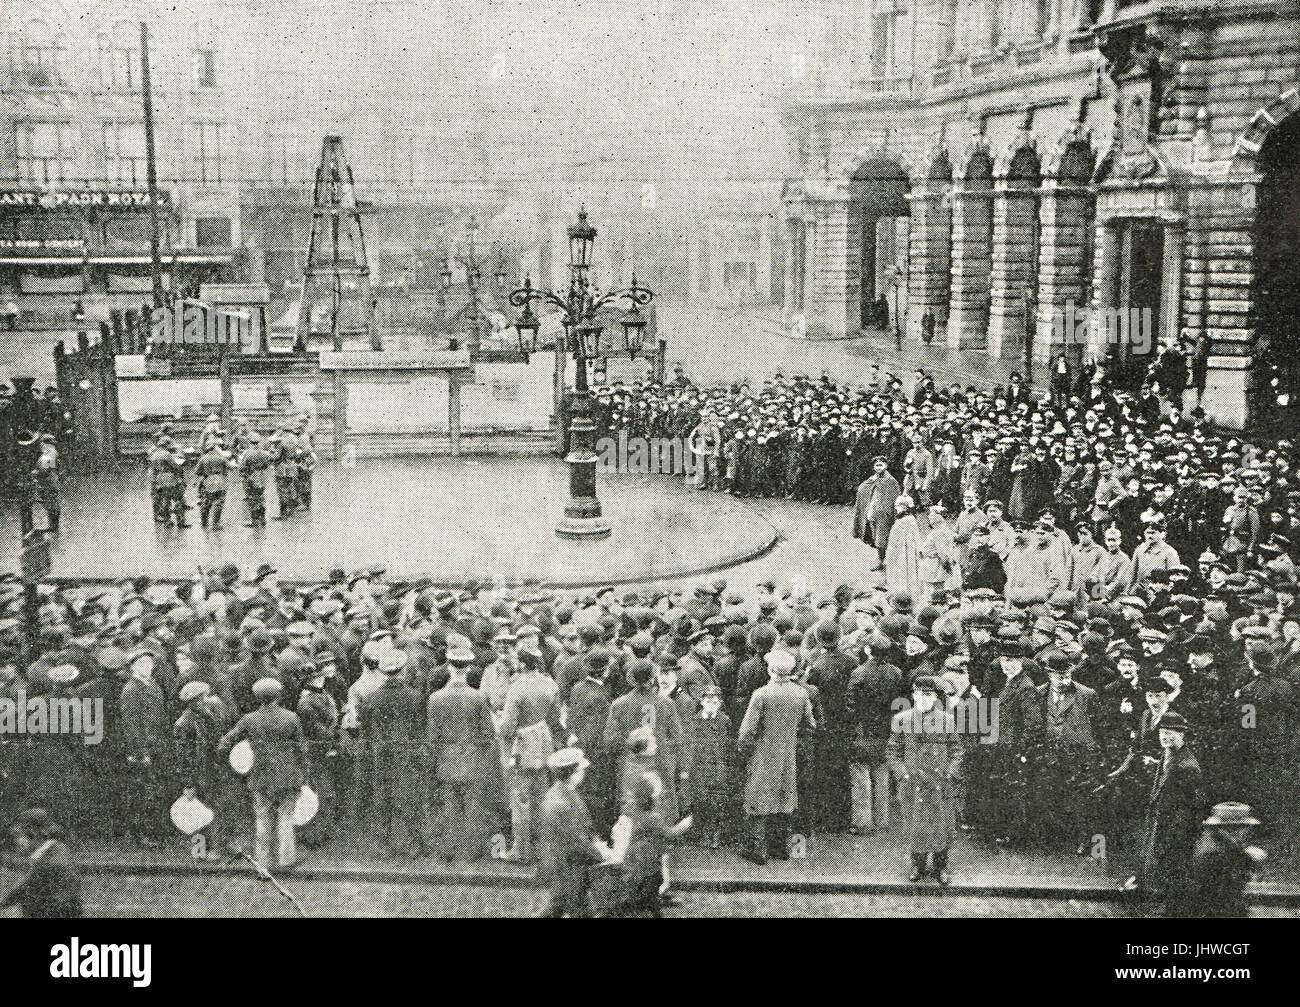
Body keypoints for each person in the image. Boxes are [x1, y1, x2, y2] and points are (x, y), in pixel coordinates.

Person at [219, 677, 308, 873]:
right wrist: (304, 775)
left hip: (260, 776)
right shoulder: (291, 718)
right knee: (286, 817)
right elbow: (302, 749)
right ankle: (287, 858)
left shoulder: (249, 719)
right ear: (279, 695)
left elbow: (226, 741)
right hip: (288, 775)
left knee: (262, 818)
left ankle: (262, 863)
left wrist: (239, 756)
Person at [736, 649, 814, 865]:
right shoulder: (801, 694)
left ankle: (757, 850)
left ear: (770, 670)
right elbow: (810, 724)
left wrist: (744, 751)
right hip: (788, 753)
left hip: (763, 752)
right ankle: (780, 848)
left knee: (758, 799)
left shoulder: (761, 694)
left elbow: (747, 730)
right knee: (784, 798)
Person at [424, 643, 498, 861]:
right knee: (473, 808)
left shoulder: (436, 699)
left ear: (449, 668)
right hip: (473, 760)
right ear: (467, 669)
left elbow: (432, 737)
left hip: (446, 761)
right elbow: (488, 733)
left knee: (450, 809)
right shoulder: (478, 697)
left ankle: (449, 850)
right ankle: (470, 852)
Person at [888, 675, 963, 884]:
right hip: (913, 784)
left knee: (943, 826)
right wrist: (902, 774)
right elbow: (893, 752)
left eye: (928, 695)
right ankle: (917, 864)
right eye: (920, 694)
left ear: (935, 697)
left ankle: (941, 866)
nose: (923, 698)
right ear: (913, 695)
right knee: (915, 826)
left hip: (939, 784)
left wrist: (949, 772)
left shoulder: (946, 719)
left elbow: (956, 751)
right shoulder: (901, 719)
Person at [1133, 711, 1205, 914]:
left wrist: (1176, 833)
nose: (1165, 737)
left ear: (1182, 735)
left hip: (1175, 829)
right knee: (1162, 872)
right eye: (1162, 732)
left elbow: (1195, 805)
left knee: (1174, 873)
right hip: (1162, 823)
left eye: (1171, 733)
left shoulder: (1187, 767)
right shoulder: (1168, 755)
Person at [537, 747, 609, 917]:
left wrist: (598, 843)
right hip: (566, 866)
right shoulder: (560, 803)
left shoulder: (567, 793)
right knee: (578, 908)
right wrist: (602, 854)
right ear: (573, 772)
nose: (583, 772)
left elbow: (586, 827)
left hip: (569, 864)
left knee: (557, 906)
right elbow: (576, 840)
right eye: (580, 769)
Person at [1186, 802, 1267, 918]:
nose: (1247, 832)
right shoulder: (1212, 854)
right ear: (1228, 829)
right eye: (1244, 828)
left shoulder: (1225, 847)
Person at [2, 809, 81, 918]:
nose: (15, 841)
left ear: (33, 833)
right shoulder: (58, 849)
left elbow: (23, 889)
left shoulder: (48, 863)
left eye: (18, 835)